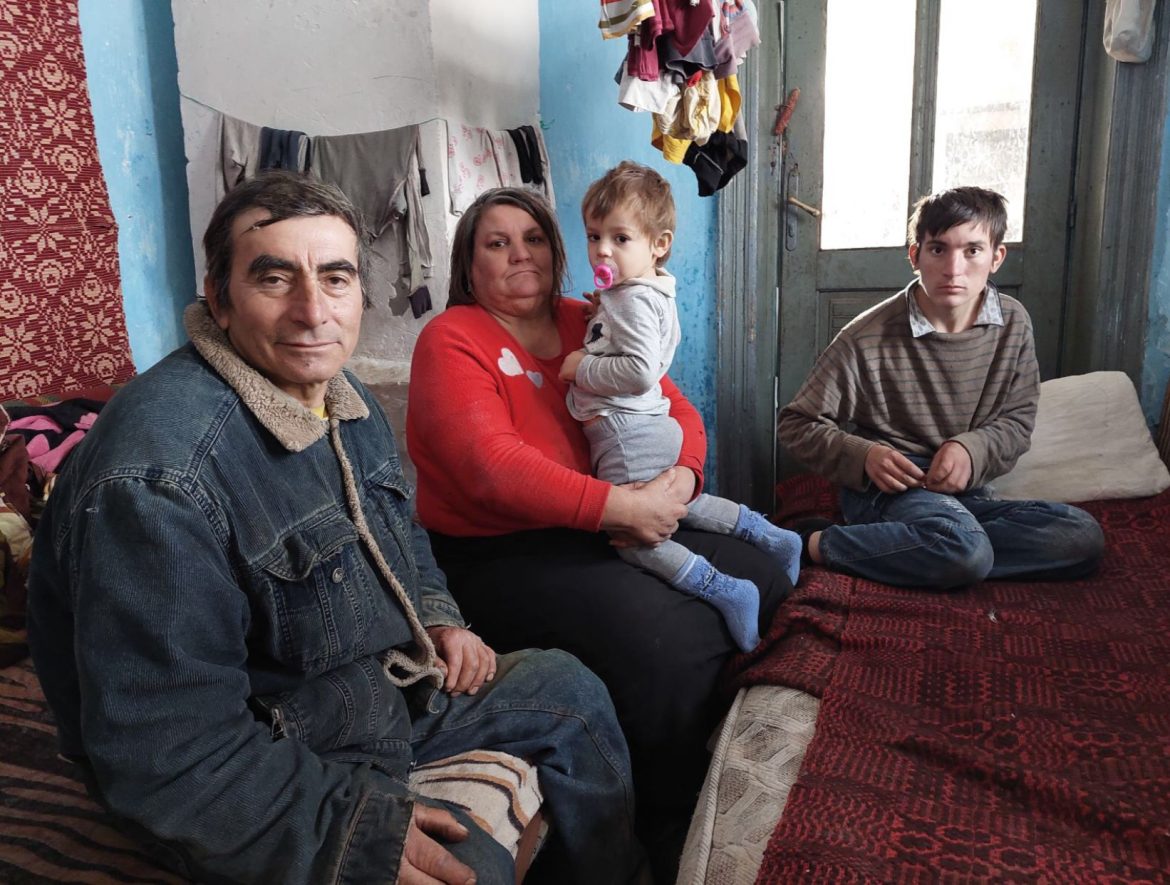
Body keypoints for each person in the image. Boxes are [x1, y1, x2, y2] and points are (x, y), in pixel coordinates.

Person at [26, 170, 649, 885]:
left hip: (370, 697)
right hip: (266, 763)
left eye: (335, 277)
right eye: (273, 278)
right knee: (468, 866)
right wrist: (345, 828)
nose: (312, 312)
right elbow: (168, 753)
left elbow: (401, 533)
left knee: (569, 687)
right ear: (218, 298)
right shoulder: (157, 479)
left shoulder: (340, 395)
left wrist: (439, 618)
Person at [406, 185, 790, 881]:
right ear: (469, 263)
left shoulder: (586, 316)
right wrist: (620, 508)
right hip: (503, 551)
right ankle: (665, 814)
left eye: (533, 239)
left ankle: (724, 743)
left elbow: (672, 403)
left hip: (608, 516)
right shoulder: (452, 337)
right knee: (662, 640)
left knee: (757, 567)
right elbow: (492, 466)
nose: (519, 254)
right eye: (497, 243)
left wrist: (683, 480)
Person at [777, 186, 1104, 589]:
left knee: (1080, 535)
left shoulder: (1013, 322)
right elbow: (796, 424)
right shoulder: (866, 336)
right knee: (964, 549)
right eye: (938, 249)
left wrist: (972, 449)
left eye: (972, 250)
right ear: (915, 256)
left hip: (968, 492)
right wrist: (864, 455)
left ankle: (928, 548)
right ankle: (814, 543)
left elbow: (1018, 421)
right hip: (893, 488)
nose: (953, 268)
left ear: (996, 257)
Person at [557, 161, 801, 653]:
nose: (602, 250)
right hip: (652, 426)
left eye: (620, 238)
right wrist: (603, 312)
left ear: (658, 244)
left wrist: (580, 367)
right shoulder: (649, 289)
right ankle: (770, 535)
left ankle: (726, 590)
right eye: (594, 236)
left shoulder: (628, 300)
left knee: (636, 540)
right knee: (682, 502)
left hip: (624, 432)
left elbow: (640, 371)